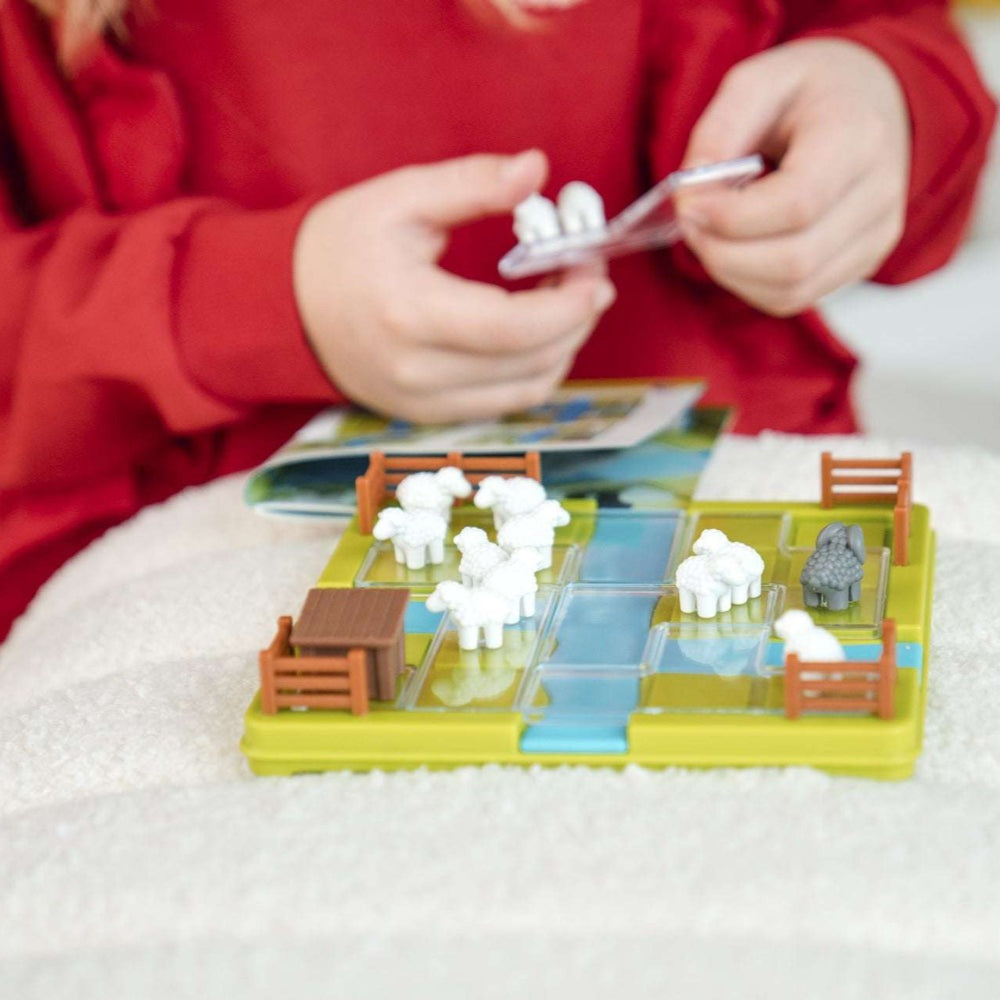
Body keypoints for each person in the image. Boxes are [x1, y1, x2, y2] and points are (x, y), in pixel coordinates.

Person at [0, 0, 994, 639]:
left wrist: (887, 110)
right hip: (228, 592)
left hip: (731, 513)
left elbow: (890, 37)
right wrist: (261, 301)